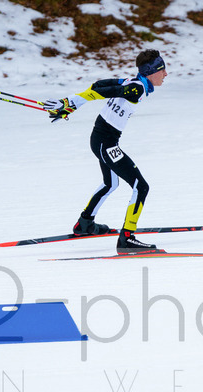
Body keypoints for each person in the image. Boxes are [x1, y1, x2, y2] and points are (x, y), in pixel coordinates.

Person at [44, 50, 168, 254]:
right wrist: (69, 102)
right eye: (162, 70)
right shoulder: (135, 89)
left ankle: (84, 225)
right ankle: (127, 239)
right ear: (150, 72)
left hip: (100, 140)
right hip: (107, 144)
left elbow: (98, 85)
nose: (165, 74)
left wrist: (70, 106)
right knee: (141, 187)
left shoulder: (132, 82)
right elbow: (100, 92)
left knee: (111, 183)